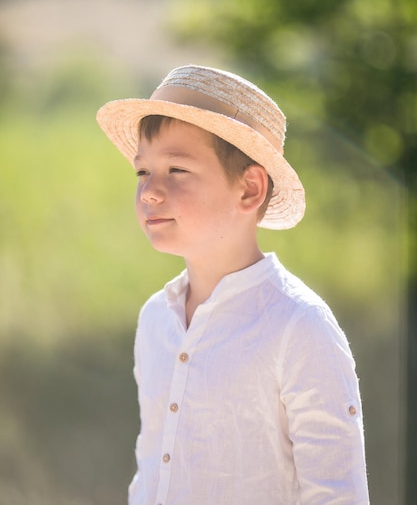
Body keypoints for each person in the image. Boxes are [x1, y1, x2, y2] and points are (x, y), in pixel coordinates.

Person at [96, 65, 369, 505]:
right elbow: (152, 471)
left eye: (177, 170)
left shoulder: (299, 325)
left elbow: (336, 494)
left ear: (249, 189)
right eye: (142, 171)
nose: (149, 191)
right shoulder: (155, 319)